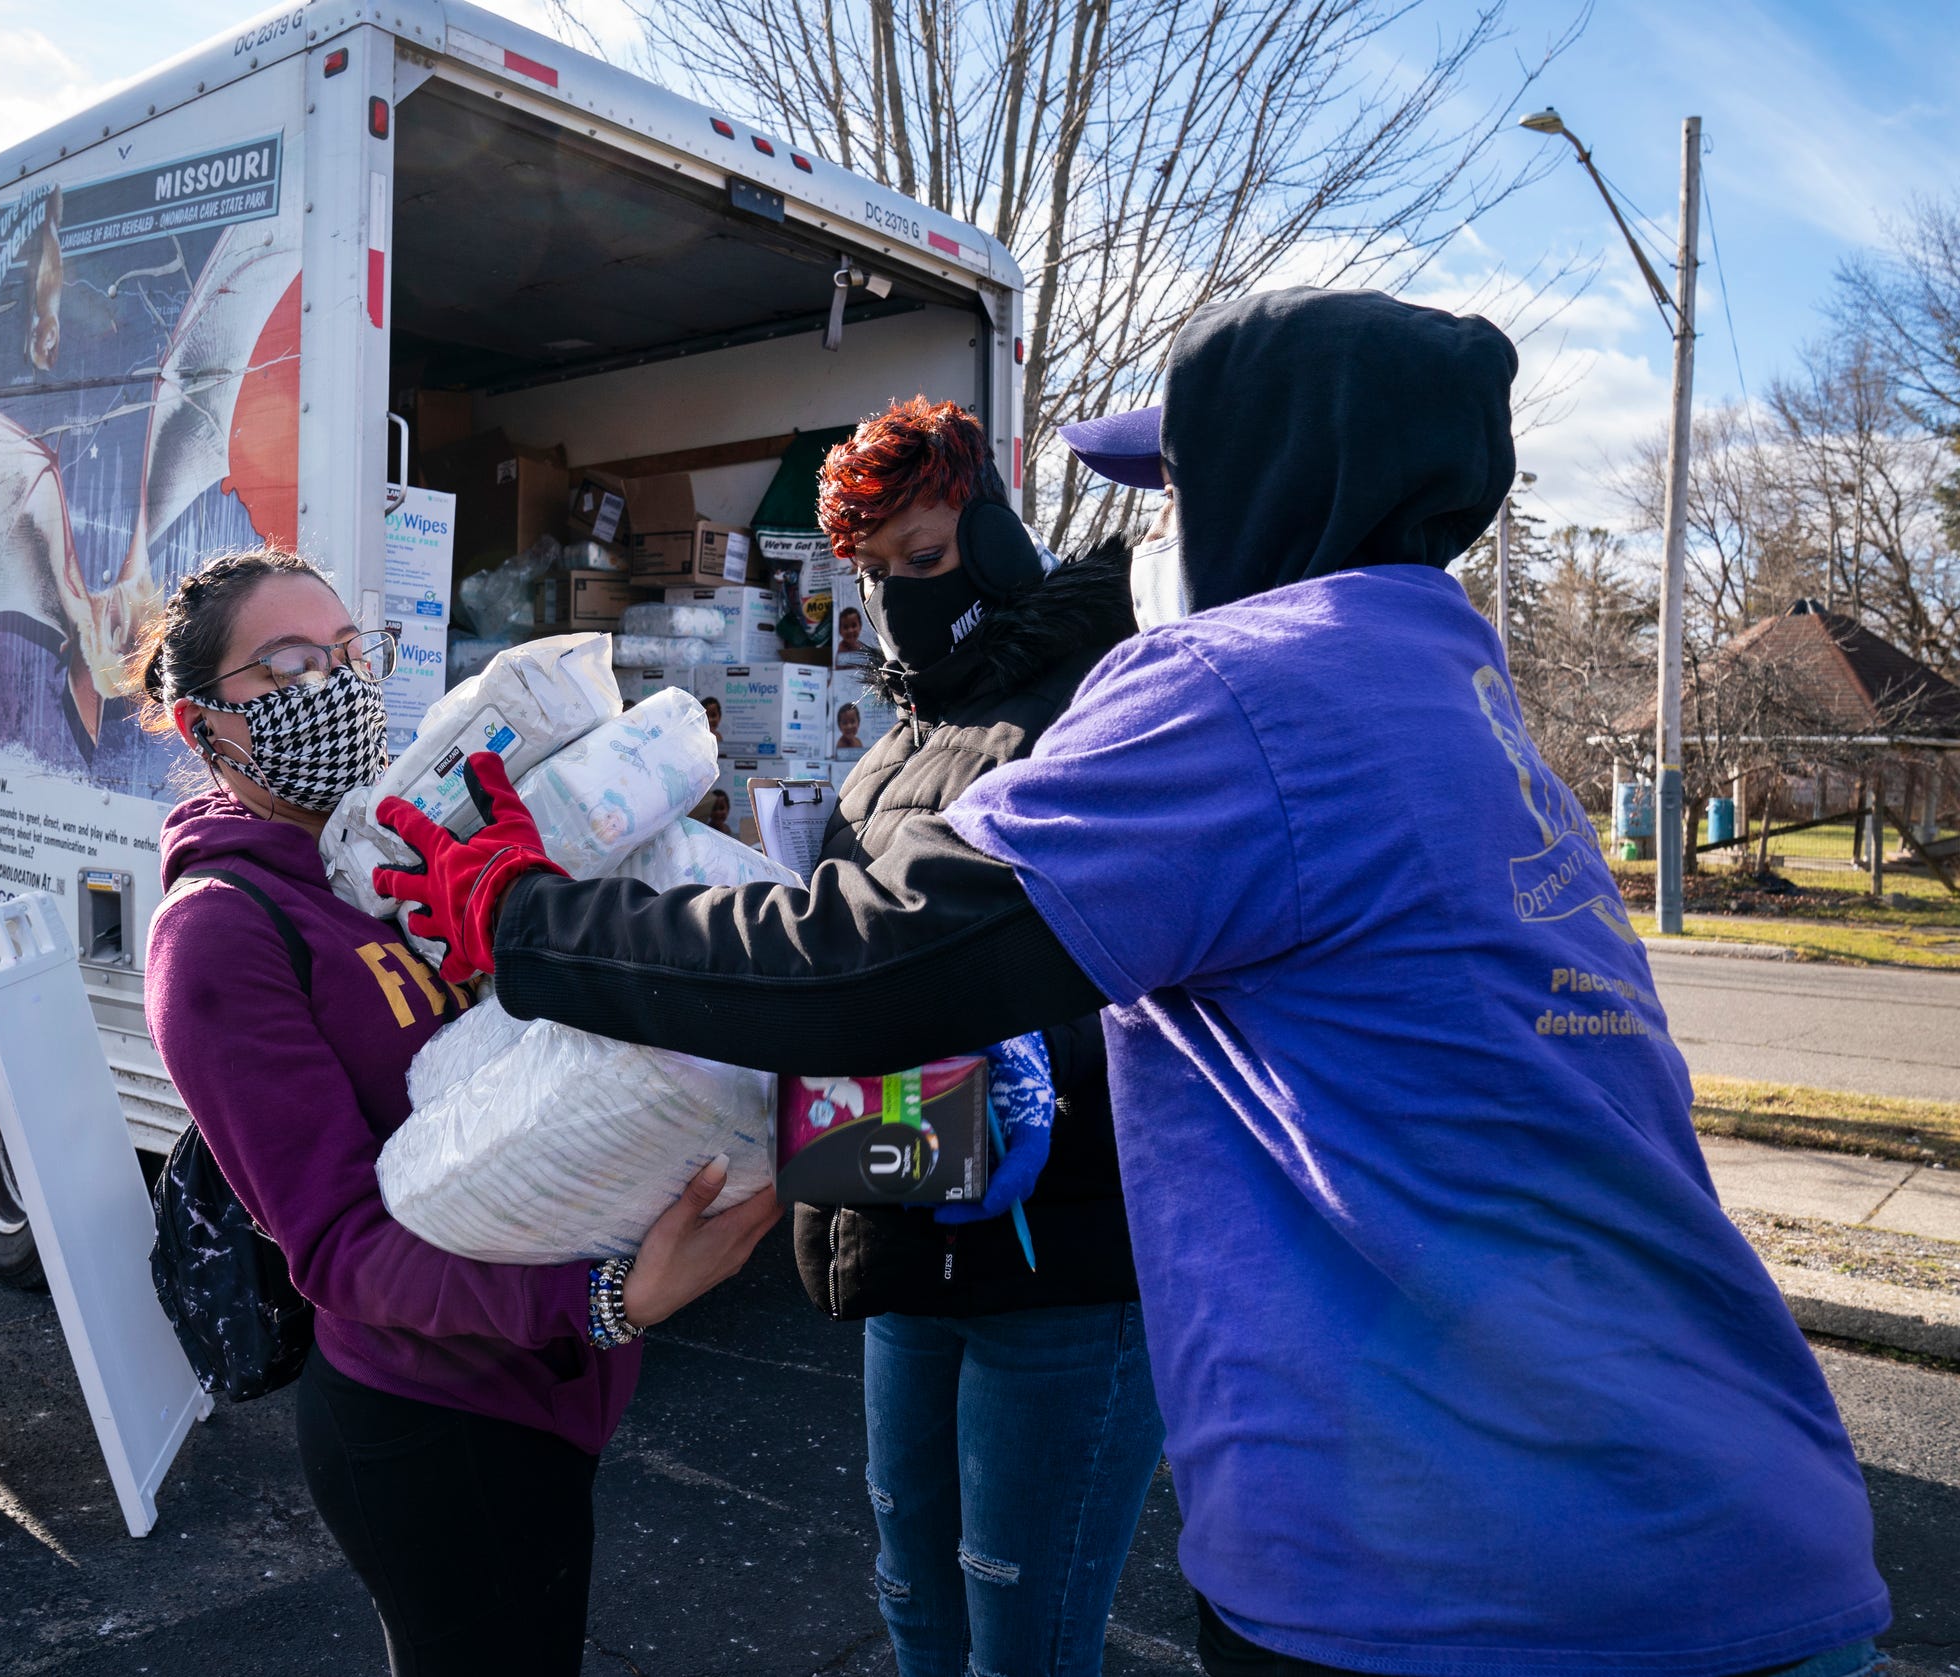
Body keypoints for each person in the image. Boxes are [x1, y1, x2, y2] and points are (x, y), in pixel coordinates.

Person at [374, 291, 1891, 1676]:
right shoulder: (1448, 690)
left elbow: (887, 962)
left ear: (1281, 487)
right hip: (1712, 1507)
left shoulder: (1251, 680)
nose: (1149, 535)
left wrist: (524, 918)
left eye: (1177, 490)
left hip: (1490, 1569)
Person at [386, 399, 1164, 1677]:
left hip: (1059, 1269)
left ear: (1001, 531)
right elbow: (826, 964)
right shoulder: (879, 758)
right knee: (915, 1595)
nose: (904, 599)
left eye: (926, 558)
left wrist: (1034, 1055)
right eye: (873, 576)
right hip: (899, 1230)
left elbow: (1131, 973)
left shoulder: (1101, 711)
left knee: (1025, 1633)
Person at [136, 549, 778, 1677]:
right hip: (435, 1420)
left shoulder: (381, 858)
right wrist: (608, 1300)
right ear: (207, 727)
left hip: (542, 1389)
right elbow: (337, 1250)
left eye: (347, 654)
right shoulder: (220, 934)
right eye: (285, 666)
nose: (333, 685)